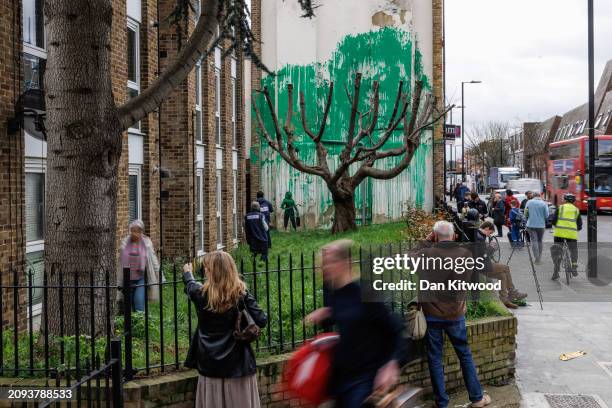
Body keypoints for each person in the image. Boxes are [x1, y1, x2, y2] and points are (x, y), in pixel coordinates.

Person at [305, 240, 409, 407]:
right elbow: (348, 321)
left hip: (365, 380)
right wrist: (327, 314)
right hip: (340, 380)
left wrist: (392, 364)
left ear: (345, 263)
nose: (324, 267)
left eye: (330, 262)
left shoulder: (366, 293)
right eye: (323, 263)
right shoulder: (332, 293)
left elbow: (397, 330)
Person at [418, 221, 491, 408]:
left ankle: (441, 403)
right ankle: (476, 398)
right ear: (453, 236)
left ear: (434, 236)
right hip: (455, 314)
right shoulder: (465, 254)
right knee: (464, 355)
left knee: (435, 358)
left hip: (432, 314)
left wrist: (426, 242)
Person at [183, 252, 267, 408]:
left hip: (210, 364)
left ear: (212, 272)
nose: (205, 271)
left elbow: (189, 285)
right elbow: (262, 320)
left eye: (207, 268)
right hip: (238, 366)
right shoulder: (241, 294)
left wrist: (188, 273)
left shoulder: (200, 294)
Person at [475, 221, 527, 309]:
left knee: (502, 275)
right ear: (487, 228)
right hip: (482, 265)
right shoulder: (479, 237)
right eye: (490, 233)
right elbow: (483, 255)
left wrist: (489, 246)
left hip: (482, 263)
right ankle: (513, 292)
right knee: (505, 268)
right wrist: (491, 248)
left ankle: (504, 299)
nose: (489, 235)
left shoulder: (480, 235)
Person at [119, 219, 161, 312]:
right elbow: (121, 260)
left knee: (138, 302)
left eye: (138, 231)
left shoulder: (146, 243)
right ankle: (130, 325)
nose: (135, 233)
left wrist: (159, 273)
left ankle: (140, 323)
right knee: (128, 305)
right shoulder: (125, 242)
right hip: (127, 278)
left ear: (141, 232)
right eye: (133, 231)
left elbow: (153, 259)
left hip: (140, 278)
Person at [551, 193, 582, 280]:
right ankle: (574, 267)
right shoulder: (576, 210)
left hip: (559, 234)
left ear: (565, 200)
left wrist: (556, 225)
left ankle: (556, 272)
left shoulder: (560, 208)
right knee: (574, 250)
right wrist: (576, 229)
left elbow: (553, 221)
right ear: (574, 201)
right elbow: (579, 225)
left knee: (556, 252)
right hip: (571, 234)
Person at [524, 192, 549, 264]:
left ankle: (536, 258)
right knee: (540, 241)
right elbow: (547, 215)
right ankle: (540, 257)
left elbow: (525, 213)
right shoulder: (544, 203)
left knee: (534, 241)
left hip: (531, 225)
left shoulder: (529, 202)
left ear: (533, 196)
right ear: (540, 196)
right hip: (541, 225)